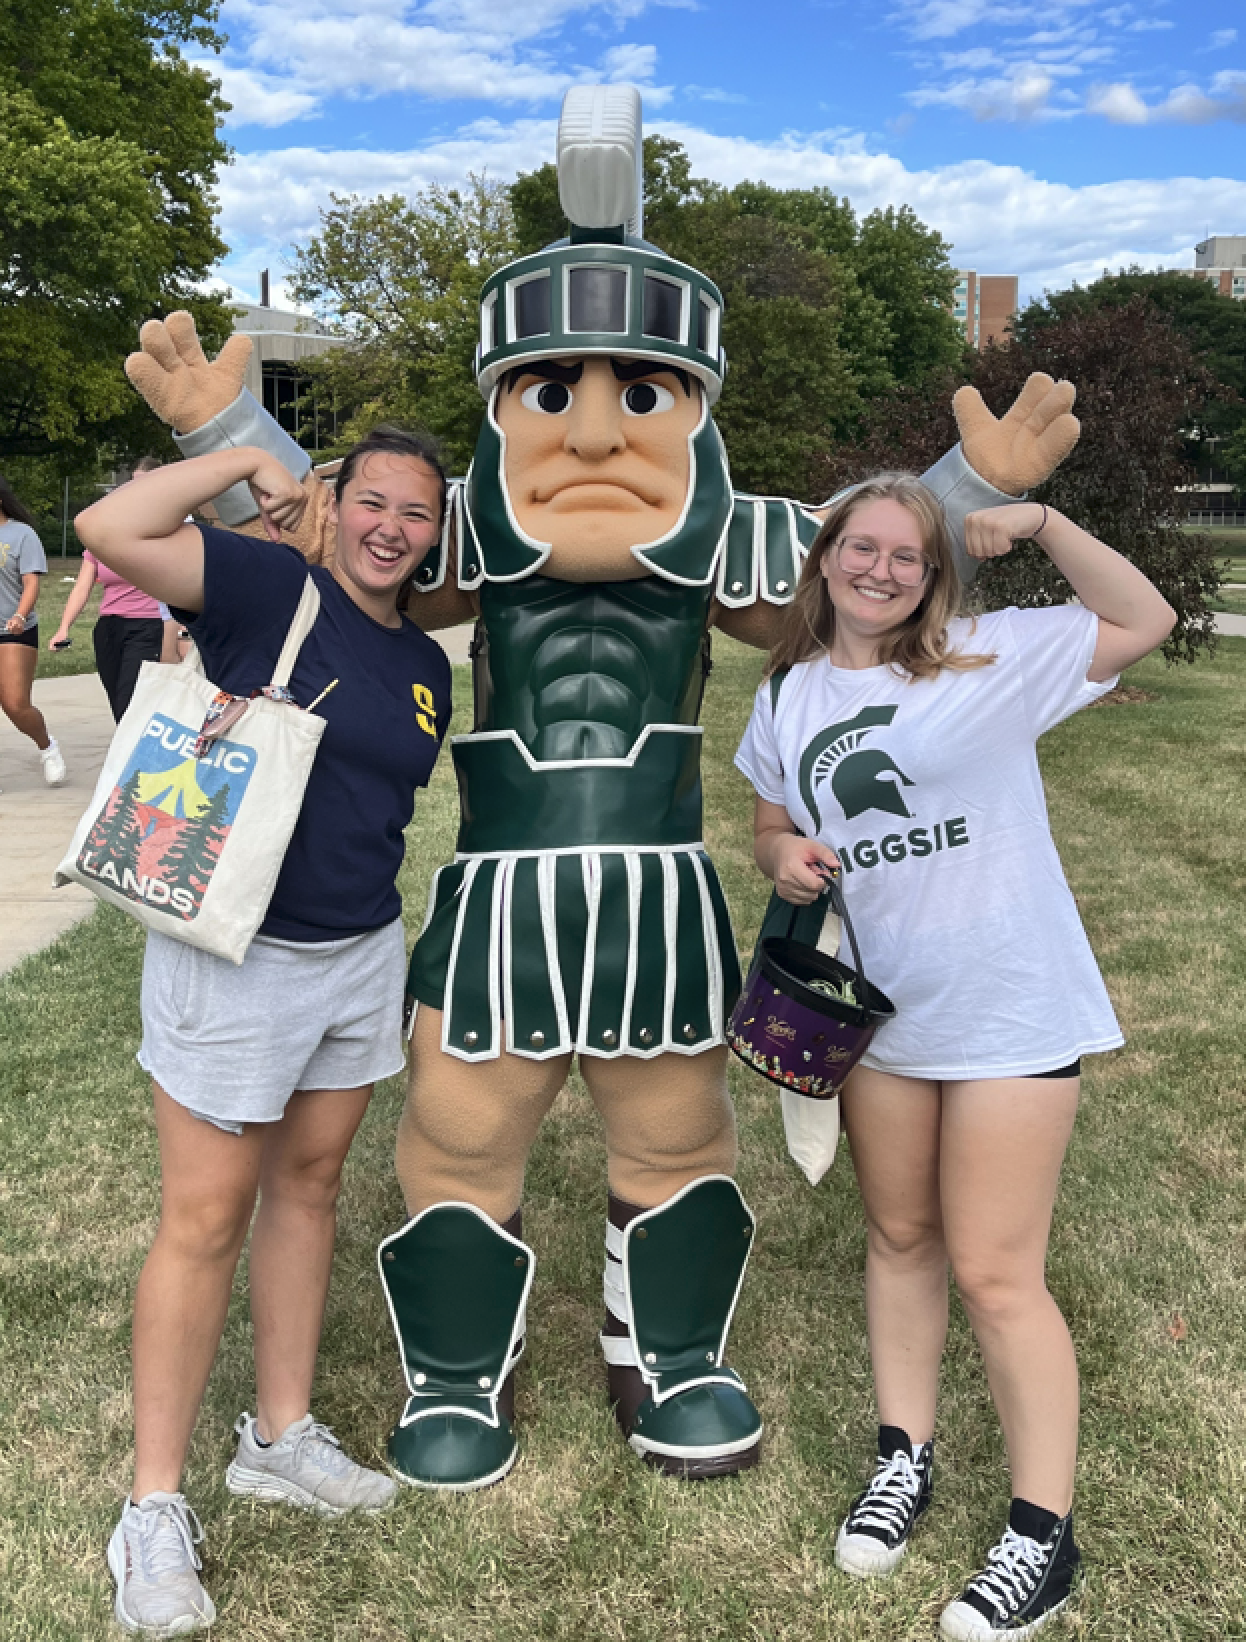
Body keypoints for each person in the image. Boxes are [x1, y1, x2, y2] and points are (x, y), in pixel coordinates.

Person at [734, 475, 1175, 1641]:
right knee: (900, 1237)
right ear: (825, 556)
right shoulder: (787, 692)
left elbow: (1143, 620)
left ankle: (1043, 1532)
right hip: (883, 1017)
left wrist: (1037, 524)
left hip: (1008, 1012)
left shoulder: (990, 654)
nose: (880, 570)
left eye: (908, 557)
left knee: (994, 1270)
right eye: (860, 548)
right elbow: (773, 816)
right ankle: (903, 1455)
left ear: (935, 578)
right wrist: (781, 855)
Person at [73, 426, 453, 1637]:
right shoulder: (270, 585)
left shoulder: (421, 658)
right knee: (202, 1219)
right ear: (335, 506)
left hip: (356, 955)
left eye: (417, 512)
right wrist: (241, 450)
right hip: (232, 955)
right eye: (372, 502)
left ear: (438, 531)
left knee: (310, 1187)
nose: (393, 527)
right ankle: (152, 1508)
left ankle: (279, 1434)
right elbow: (109, 531)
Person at [50, 458, 169, 721]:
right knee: (118, 701)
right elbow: (82, 587)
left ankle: (130, 759)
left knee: (130, 700)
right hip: (109, 627)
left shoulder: (165, 532)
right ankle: (129, 756)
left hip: (147, 626)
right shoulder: (104, 535)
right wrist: (63, 628)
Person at [0, 473, 67, 784]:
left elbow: (31, 582)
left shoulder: (21, 534)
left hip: (13, 628)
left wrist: (20, 615)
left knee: (15, 704)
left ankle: (47, 747)